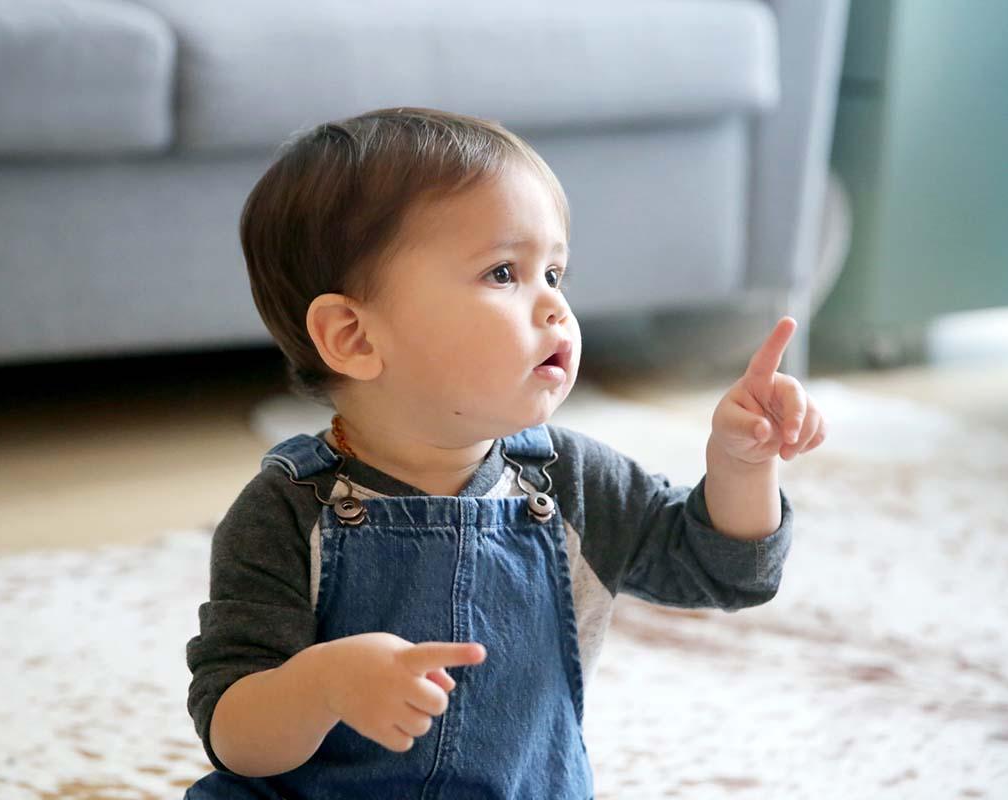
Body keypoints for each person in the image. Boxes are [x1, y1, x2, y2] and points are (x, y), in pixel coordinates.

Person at [183, 107, 827, 799]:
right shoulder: (285, 511)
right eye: (502, 272)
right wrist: (322, 685)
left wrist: (741, 464)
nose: (554, 308)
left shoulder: (573, 481)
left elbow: (722, 570)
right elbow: (234, 734)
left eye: (555, 273)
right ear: (355, 338)